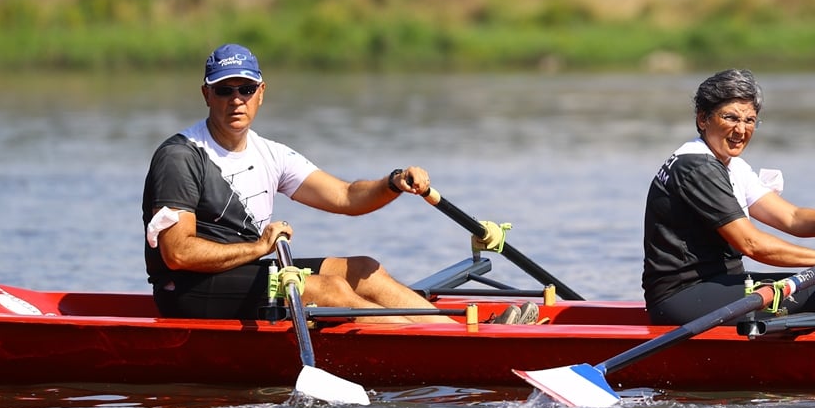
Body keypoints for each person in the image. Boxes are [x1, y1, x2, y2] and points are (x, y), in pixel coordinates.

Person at [142, 43, 539, 325]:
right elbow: (178, 254)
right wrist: (261, 247)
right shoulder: (180, 157)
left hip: (247, 271)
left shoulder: (270, 154)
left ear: (261, 93)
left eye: (245, 89)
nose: (236, 100)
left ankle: (456, 334)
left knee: (364, 270)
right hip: (190, 292)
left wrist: (393, 182)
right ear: (206, 95)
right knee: (326, 290)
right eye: (224, 90)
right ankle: (445, 345)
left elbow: (347, 197)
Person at [642, 68, 815, 325]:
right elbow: (752, 244)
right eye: (731, 118)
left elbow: (792, 218)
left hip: (717, 287)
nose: (741, 130)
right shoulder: (697, 168)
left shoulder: (731, 165)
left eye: (750, 120)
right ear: (703, 119)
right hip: (682, 297)